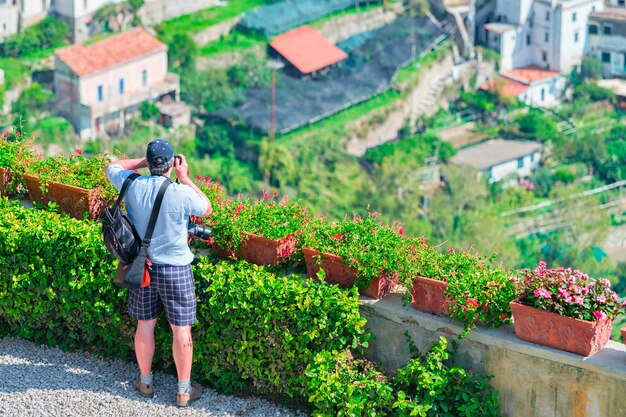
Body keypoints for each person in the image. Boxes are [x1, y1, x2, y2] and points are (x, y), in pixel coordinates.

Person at [105, 139, 212, 407]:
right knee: (181, 330)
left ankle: (145, 382)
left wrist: (143, 162)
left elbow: (112, 166)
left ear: (151, 163)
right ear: (171, 163)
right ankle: (184, 391)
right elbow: (206, 208)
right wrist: (184, 176)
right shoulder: (179, 192)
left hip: (144, 267)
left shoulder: (132, 185)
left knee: (145, 324)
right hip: (176, 269)